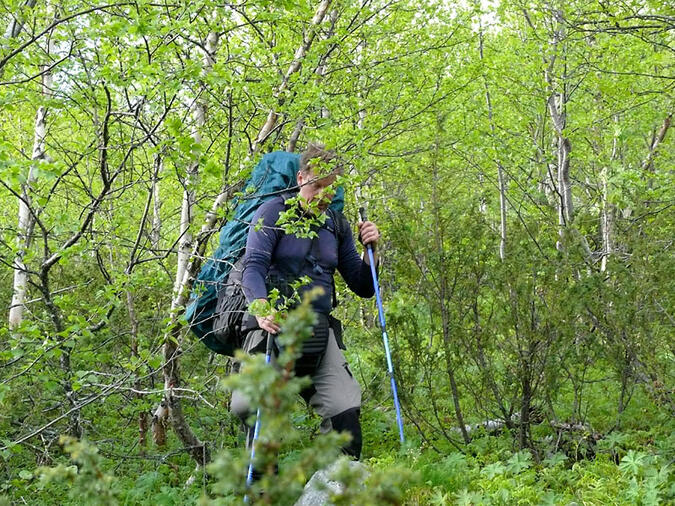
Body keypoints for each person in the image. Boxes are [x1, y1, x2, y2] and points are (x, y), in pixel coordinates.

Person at [231, 142, 380, 460]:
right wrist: (260, 307)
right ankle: (263, 490)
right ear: (301, 178)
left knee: (345, 408)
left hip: (318, 330)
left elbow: (363, 286)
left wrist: (372, 253)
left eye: (331, 189)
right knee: (250, 407)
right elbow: (253, 267)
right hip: (273, 327)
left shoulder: (336, 225)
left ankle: (337, 487)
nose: (324, 195)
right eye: (317, 186)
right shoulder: (272, 213)